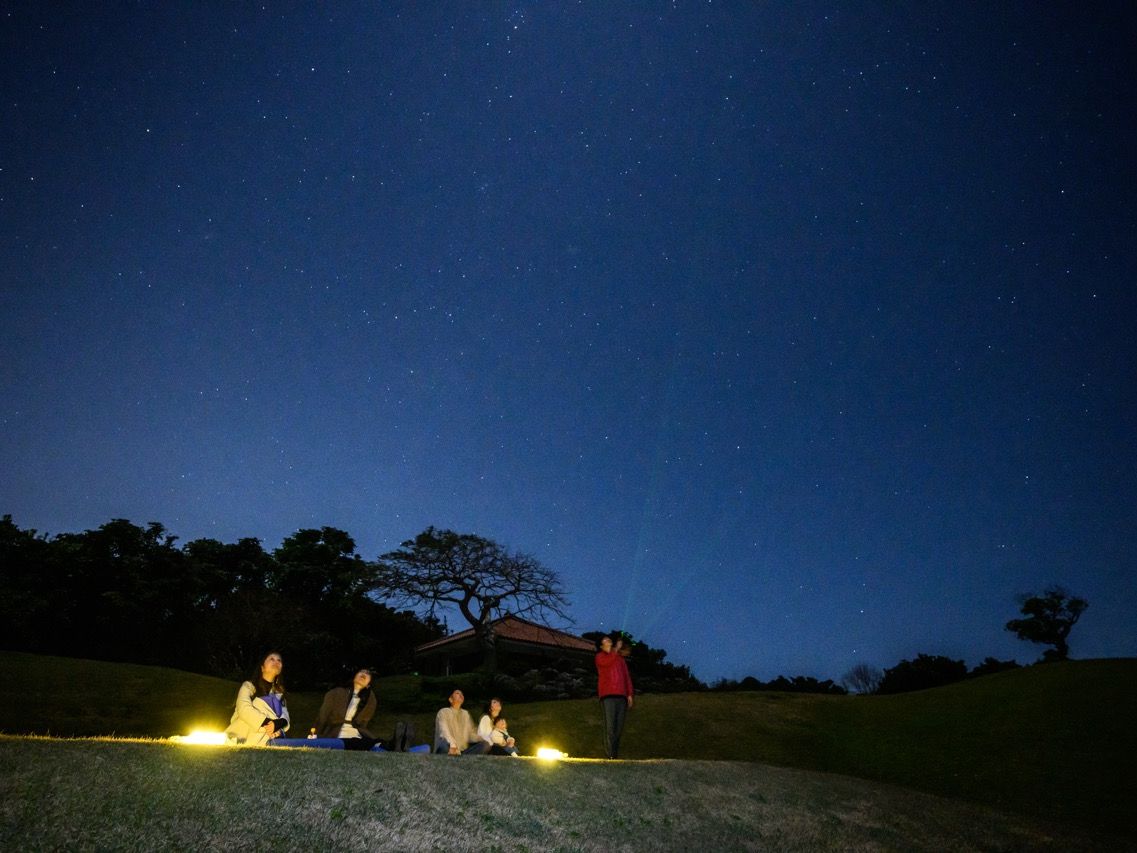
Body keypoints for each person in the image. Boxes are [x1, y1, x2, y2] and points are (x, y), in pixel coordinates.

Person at [225, 650, 290, 745]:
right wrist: (270, 724)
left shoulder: (280, 695)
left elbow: (285, 718)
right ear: (262, 667)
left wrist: (277, 725)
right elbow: (243, 709)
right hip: (241, 739)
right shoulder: (248, 686)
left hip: (264, 743)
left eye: (279, 660)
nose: (276, 662)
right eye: (272, 659)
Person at [314, 668, 379, 751]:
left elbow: (364, 722)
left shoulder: (369, 699)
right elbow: (322, 717)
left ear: (368, 685)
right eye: (361, 672)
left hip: (356, 734)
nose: (364, 674)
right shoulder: (336, 693)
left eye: (368, 674)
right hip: (337, 733)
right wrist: (315, 735)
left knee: (374, 744)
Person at [595, 634, 634, 759]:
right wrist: (616, 649)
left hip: (621, 695)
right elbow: (607, 663)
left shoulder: (620, 659)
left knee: (618, 728)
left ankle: (614, 756)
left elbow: (626, 676)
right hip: (608, 695)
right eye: (605, 640)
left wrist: (629, 694)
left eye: (608, 639)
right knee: (610, 727)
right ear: (601, 646)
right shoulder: (600, 657)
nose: (608, 640)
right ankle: (610, 755)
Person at [433, 688, 482, 755]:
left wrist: (482, 738)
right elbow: (444, 731)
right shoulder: (443, 712)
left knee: (485, 745)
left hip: (462, 752)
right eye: (457, 693)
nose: (461, 695)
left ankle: (462, 756)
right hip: (448, 747)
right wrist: (452, 744)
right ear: (450, 699)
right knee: (444, 746)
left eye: (462, 694)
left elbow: (471, 735)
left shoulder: (465, 714)